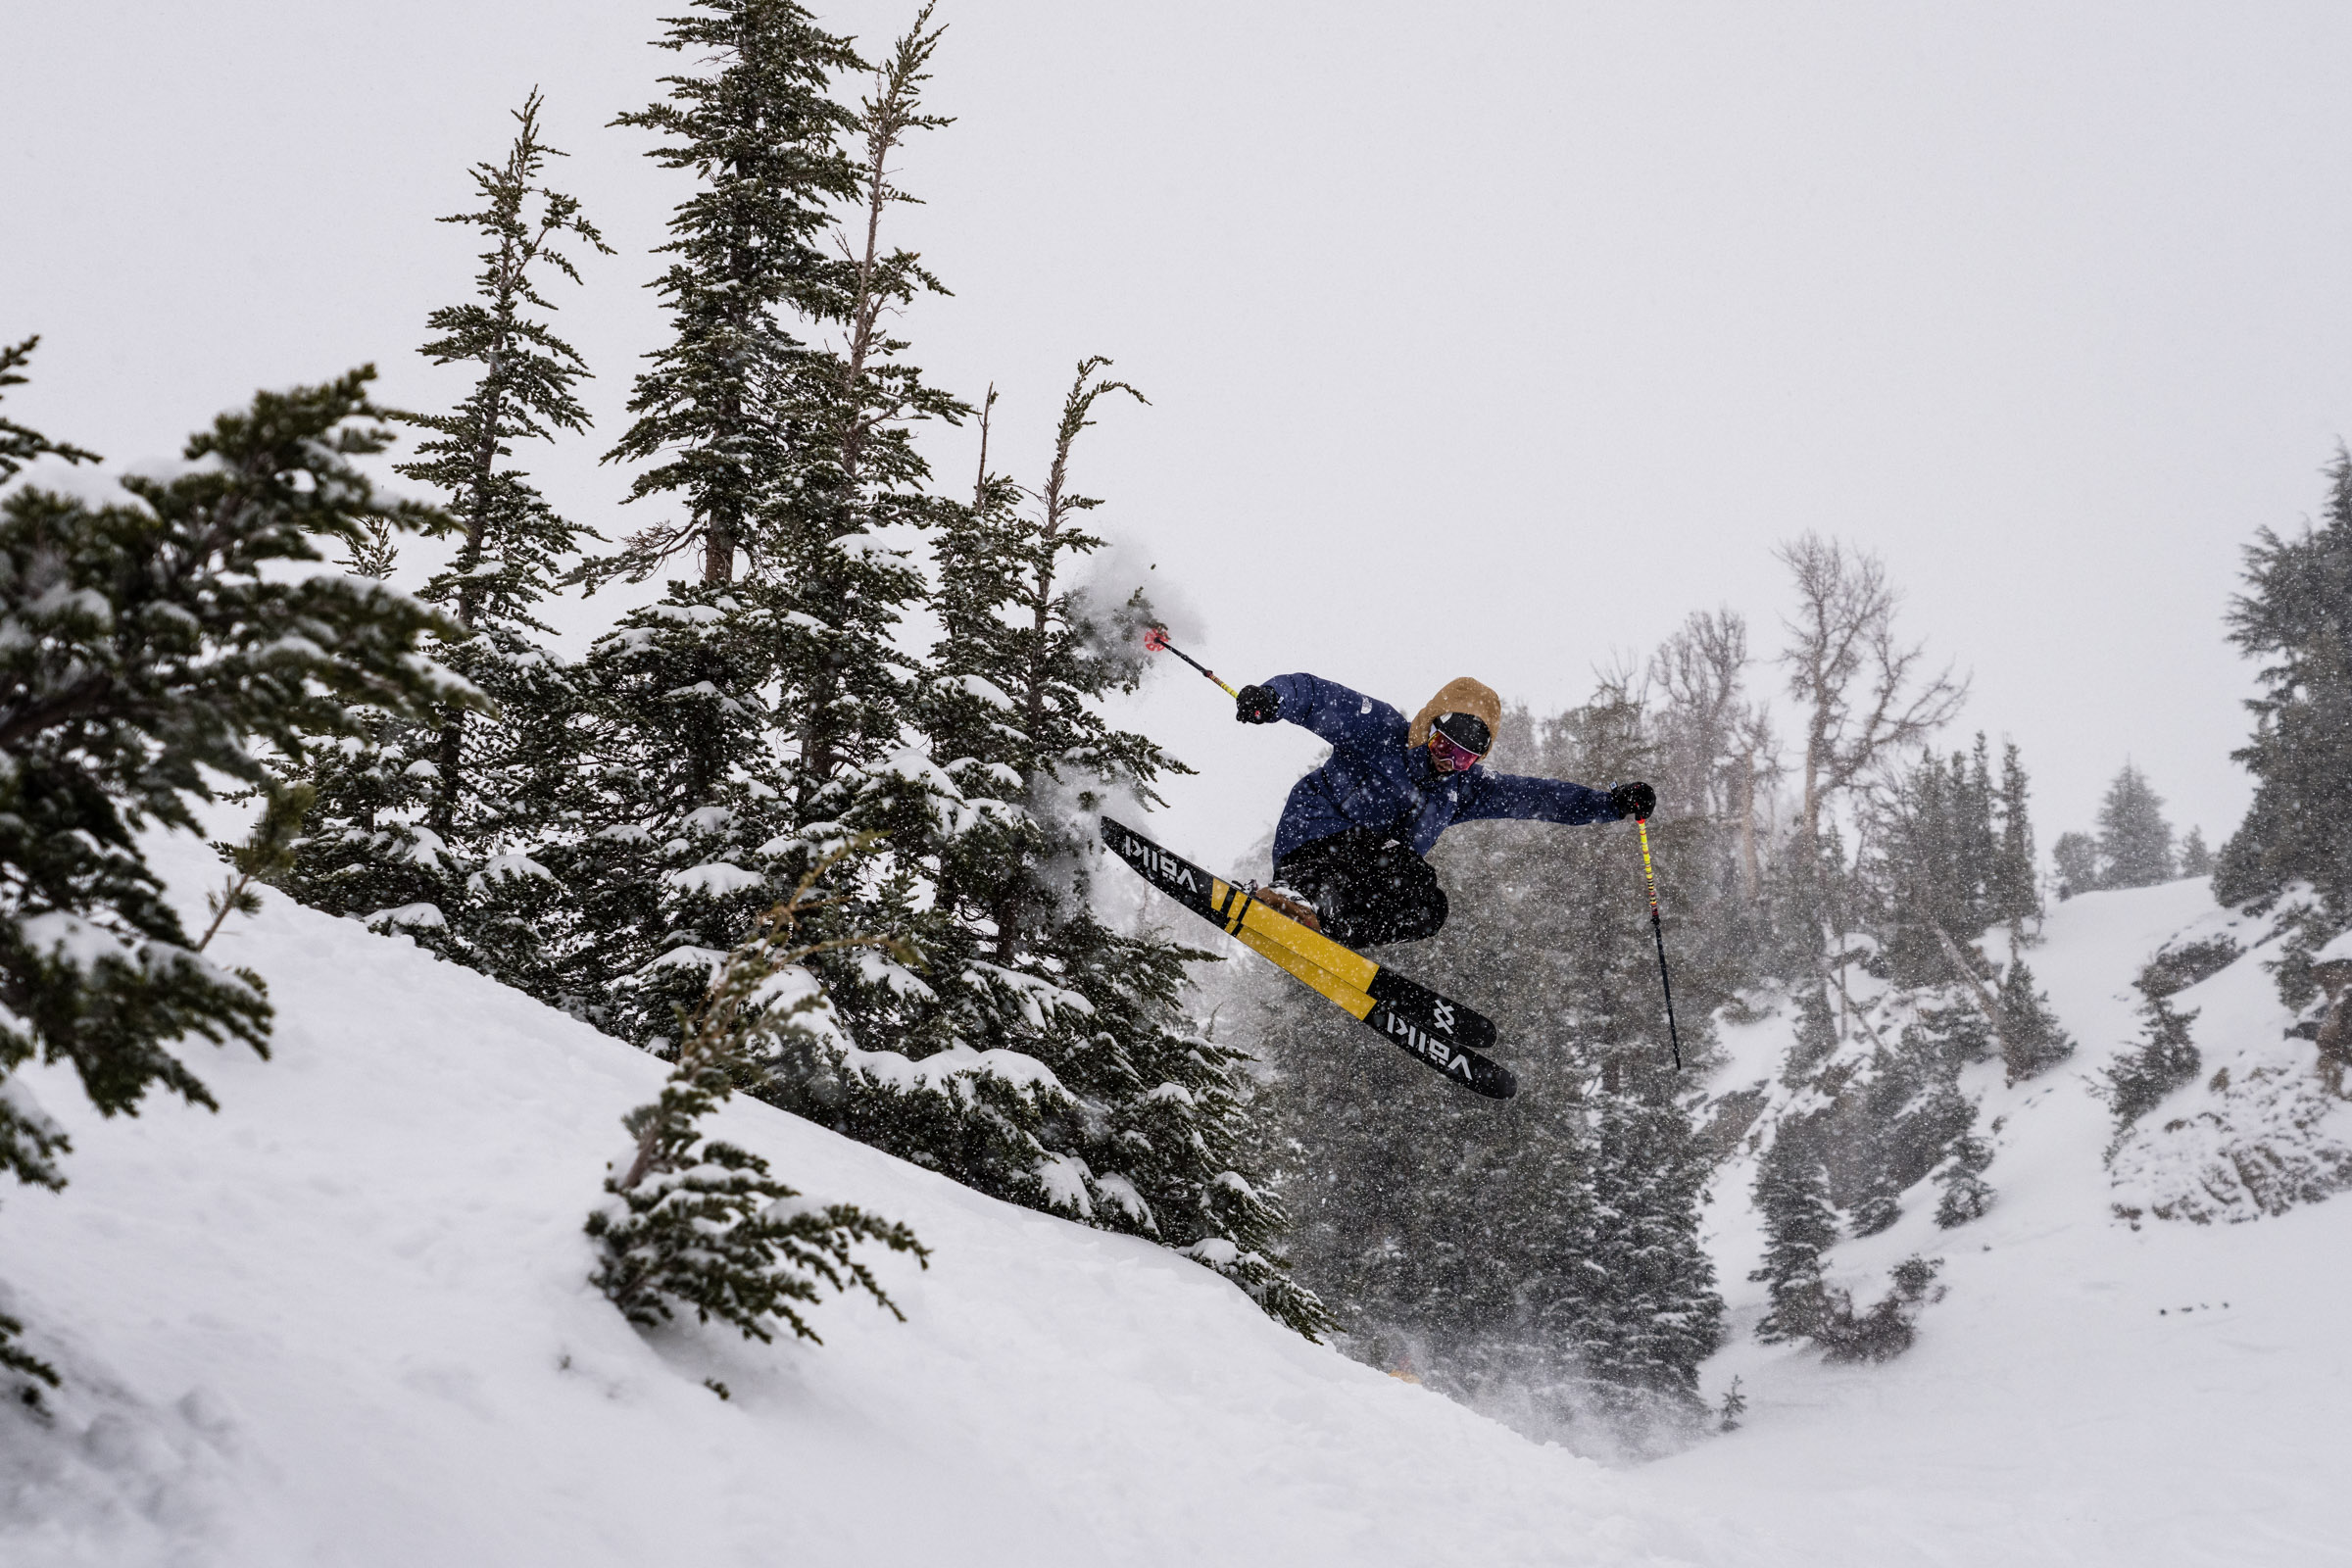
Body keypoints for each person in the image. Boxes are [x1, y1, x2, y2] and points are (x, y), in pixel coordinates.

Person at [1234, 672, 1654, 947]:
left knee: (1428, 907)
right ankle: (1292, 895)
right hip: (1314, 841)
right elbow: (1318, 698)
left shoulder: (1461, 791)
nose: (1448, 762)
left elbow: (1538, 797)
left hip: (1366, 870)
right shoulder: (1380, 731)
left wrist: (1611, 803)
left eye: (1465, 758)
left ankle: (1325, 927)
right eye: (1442, 746)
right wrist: (1273, 699)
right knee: (1395, 860)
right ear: (1426, 727)